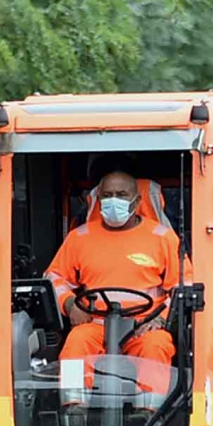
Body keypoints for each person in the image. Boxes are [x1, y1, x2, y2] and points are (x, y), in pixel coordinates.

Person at [43, 160, 189, 401]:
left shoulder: (162, 238)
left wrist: (161, 320)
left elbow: (181, 286)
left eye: (121, 195)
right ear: (98, 200)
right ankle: (73, 410)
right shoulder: (79, 237)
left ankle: (149, 414)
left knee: (156, 347)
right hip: (95, 323)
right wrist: (70, 305)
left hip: (145, 325)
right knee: (74, 345)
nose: (114, 200)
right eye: (107, 195)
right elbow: (54, 277)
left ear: (137, 201)